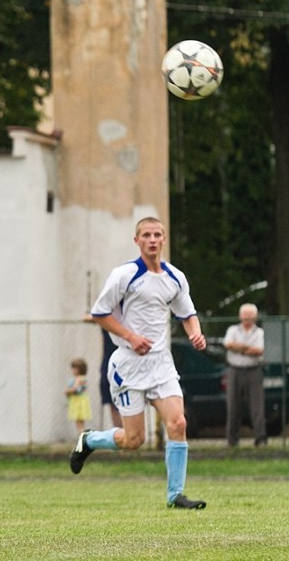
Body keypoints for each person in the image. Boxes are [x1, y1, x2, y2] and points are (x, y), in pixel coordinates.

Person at [70, 217, 208, 510]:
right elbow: (100, 313)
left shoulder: (175, 277)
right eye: (146, 235)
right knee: (134, 440)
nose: (153, 239)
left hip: (161, 366)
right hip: (128, 367)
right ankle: (90, 440)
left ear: (164, 239)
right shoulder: (125, 275)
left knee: (178, 422)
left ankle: (176, 496)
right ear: (137, 241)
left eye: (157, 234)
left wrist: (195, 334)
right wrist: (131, 337)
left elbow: (187, 314)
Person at [223, 303, 266, 447]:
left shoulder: (260, 332)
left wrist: (238, 348)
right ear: (240, 316)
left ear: (255, 317)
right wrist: (247, 349)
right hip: (234, 370)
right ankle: (232, 440)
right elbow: (228, 344)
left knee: (257, 407)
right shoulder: (232, 330)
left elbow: (260, 351)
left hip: (254, 371)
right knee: (233, 406)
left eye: (250, 315)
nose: (247, 318)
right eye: (245, 315)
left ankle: (260, 439)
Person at [99, 328, 122, 428]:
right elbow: (89, 316)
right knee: (111, 398)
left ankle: (128, 431)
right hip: (109, 362)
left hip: (125, 362)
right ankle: (119, 431)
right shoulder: (105, 317)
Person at [64, 358, 92, 433]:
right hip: (81, 400)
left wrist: (67, 391)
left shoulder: (78, 378)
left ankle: (81, 435)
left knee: (78, 421)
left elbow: (75, 389)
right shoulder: (83, 378)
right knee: (81, 421)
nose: (73, 370)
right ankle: (82, 434)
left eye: (74, 368)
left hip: (78, 402)